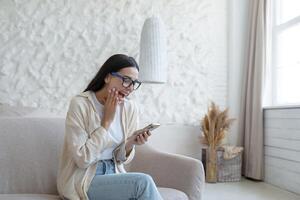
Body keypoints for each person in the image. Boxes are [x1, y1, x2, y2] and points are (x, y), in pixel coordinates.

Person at [57, 54, 163, 200]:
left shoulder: (129, 108)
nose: (130, 88)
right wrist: (106, 122)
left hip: (116, 173)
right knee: (142, 183)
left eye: (134, 83)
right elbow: (82, 159)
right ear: (107, 77)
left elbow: (121, 159)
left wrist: (131, 143)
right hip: (85, 179)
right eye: (126, 80)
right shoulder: (80, 104)